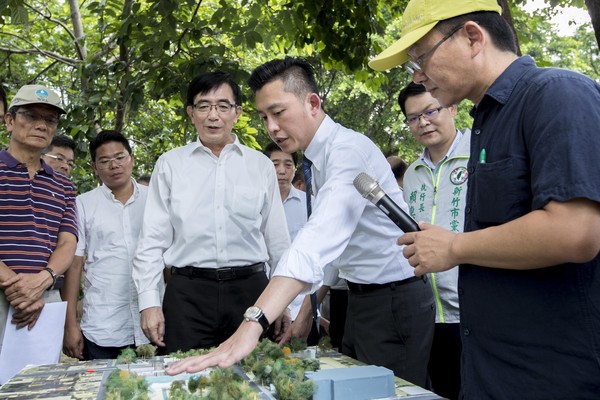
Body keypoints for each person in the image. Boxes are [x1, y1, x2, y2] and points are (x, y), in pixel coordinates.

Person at [369, 0, 600, 398]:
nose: (419, 76)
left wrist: (455, 246)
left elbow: (576, 230)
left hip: (553, 376)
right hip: (491, 370)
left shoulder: (556, 94)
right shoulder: (485, 124)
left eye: (421, 57)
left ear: (473, 37)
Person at [166, 58, 435, 387]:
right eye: (264, 117)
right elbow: (338, 251)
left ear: (312, 102)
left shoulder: (347, 153)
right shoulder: (317, 158)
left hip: (394, 300)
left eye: (278, 113)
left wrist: (252, 323)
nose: (272, 128)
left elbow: (316, 240)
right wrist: (308, 310)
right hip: (359, 300)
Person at [132, 71, 291, 354]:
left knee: (256, 381)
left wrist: (282, 302)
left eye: (222, 106)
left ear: (237, 112)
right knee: (183, 383)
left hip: (251, 293)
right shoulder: (170, 165)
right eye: (204, 106)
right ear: (191, 113)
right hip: (187, 295)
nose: (213, 115)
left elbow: (277, 240)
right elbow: (152, 240)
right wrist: (149, 302)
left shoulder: (260, 166)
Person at [398, 82, 469, 400]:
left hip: (473, 311)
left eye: (430, 111)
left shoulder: (479, 159)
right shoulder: (412, 173)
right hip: (427, 312)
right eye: (413, 118)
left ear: (451, 107)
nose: (423, 122)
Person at [0, 84, 77, 354]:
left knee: (41, 388)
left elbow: (67, 242)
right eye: (31, 116)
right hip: (6, 293)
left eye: (50, 119)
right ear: (10, 121)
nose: (41, 125)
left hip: (46, 295)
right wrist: (17, 288)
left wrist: (43, 280)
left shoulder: (64, 185)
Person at [62, 130, 149, 360]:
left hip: (152, 324)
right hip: (104, 328)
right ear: (94, 167)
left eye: (120, 157)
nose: (114, 165)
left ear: (132, 158)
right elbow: (74, 266)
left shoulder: (155, 200)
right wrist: (70, 325)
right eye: (105, 160)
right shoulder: (82, 204)